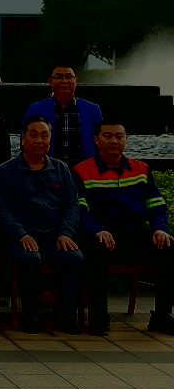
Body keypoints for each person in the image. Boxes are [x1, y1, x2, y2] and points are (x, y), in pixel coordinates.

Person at [72, 120, 174, 336]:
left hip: (133, 233)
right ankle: (99, 316)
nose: (114, 141)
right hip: (100, 235)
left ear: (126, 139)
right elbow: (79, 210)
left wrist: (159, 228)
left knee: (170, 248)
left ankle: (162, 316)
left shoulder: (141, 169)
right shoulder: (81, 171)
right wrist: (97, 229)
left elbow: (157, 205)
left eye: (119, 136)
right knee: (93, 250)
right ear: (96, 140)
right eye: (107, 136)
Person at [0, 116, 83, 335]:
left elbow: (72, 204)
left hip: (55, 236)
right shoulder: (6, 170)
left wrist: (65, 232)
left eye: (44, 136)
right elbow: (1, 209)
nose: (39, 140)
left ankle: (67, 315)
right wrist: (20, 234)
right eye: (33, 135)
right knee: (30, 258)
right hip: (22, 236)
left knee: (74, 257)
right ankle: (30, 314)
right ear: (22, 139)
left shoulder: (61, 169)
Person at [22, 61, 103, 168]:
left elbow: (101, 143)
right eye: (58, 77)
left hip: (83, 171)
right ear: (50, 81)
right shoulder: (35, 109)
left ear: (76, 81)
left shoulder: (92, 110)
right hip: (47, 171)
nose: (64, 81)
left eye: (69, 77)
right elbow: (25, 142)